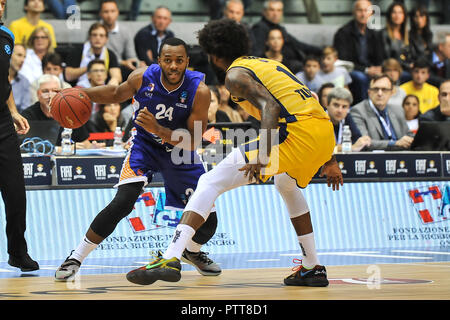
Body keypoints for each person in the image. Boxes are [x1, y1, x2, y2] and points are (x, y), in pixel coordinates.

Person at [125, 19, 343, 287]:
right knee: (286, 184)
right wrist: (329, 157)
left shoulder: (235, 75)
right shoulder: (268, 64)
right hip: (321, 133)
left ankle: (171, 257)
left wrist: (262, 155)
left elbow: (271, 109)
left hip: (293, 135)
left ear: (214, 55)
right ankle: (312, 267)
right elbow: (310, 100)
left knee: (208, 182)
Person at [54, 37, 222, 282]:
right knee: (122, 202)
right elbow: (114, 93)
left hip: (180, 151)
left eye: (179, 60)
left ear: (187, 61)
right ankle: (76, 257)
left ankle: (191, 251)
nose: (173, 66)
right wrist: (79, 93)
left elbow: (194, 141)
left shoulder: (199, 90)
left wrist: (160, 130)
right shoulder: (142, 77)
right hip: (145, 146)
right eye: (168, 60)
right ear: (159, 61)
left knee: (208, 223)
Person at [0, 0, 39, 272]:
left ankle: (18, 251)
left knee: (15, 192)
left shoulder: (7, 36)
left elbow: (5, 80)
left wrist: (13, 110)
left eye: (2, 2)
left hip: (2, 123)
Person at [333, 0, 384, 104]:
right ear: (354, 13)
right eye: (360, 10)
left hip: (370, 69)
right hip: (352, 70)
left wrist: (378, 68)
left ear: (371, 13)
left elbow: (380, 57)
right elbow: (343, 61)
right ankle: (363, 108)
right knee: (361, 78)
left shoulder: (375, 33)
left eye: (366, 10)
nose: (363, 14)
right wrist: (366, 70)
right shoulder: (343, 33)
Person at [21, 74, 91, 147]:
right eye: (45, 91)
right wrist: (62, 149)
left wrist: (94, 148)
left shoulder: (71, 112)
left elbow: (85, 143)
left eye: (54, 91)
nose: (50, 95)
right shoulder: (28, 115)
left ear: (61, 93)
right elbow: (26, 146)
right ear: (38, 94)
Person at [251, 0, 321, 69]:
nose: (275, 14)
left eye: (279, 10)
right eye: (272, 10)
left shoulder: (280, 28)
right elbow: (258, 55)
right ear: (264, 11)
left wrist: (321, 50)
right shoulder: (260, 29)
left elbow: (298, 44)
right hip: (274, 67)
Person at [350, 74, 413, 151]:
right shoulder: (358, 111)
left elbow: (408, 134)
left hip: (400, 157)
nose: (380, 93)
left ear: (391, 92)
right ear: (369, 92)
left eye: (384, 89)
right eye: (376, 89)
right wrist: (395, 143)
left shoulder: (398, 110)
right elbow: (363, 142)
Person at [64, 22, 122, 88]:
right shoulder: (77, 51)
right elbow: (68, 76)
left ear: (106, 39)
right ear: (89, 37)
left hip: (102, 89)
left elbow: (117, 76)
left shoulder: (110, 54)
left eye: (101, 35)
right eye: (94, 35)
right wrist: (91, 67)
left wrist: (113, 81)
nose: (98, 38)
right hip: (78, 90)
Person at [99, 0, 143, 79]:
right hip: (100, 67)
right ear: (100, 14)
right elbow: (96, 57)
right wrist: (123, 62)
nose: (109, 15)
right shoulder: (96, 31)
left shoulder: (125, 31)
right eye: (106, 12)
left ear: (117, 12)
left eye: (112, 11)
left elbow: (131, 56)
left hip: (120, 68)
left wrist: (138, 63)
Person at [326, 87, 371, 152]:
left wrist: (363, 142)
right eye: (336, 105)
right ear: (327, 104)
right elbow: (323, 148)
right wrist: (351, 148)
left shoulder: (347, 118)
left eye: (344, 107)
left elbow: (357, 141)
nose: (340, 110)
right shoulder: (318, 119)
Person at [380, 2, 412, 71]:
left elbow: (408, 56)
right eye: (394, 12)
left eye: (400, 12)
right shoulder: (383, 34)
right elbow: (387, 58)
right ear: (389, 16)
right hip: (391, 69)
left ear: (404, 16)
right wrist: (407, 65)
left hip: (406, 68)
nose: (397, 15)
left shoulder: (407, 35)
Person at [8, 43, 31, 113]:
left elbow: (25, 110)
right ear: (8, 55)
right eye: (19, 55)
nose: (22, 60)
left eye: (24, 57)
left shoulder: (24, 81)